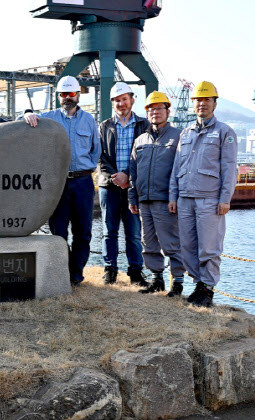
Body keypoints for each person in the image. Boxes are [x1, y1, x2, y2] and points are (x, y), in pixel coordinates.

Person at [22, 75, 101, 285]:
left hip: (82, 182)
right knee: (58, 231)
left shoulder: (89, 120)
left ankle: (76, 274)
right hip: (57, 183)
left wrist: (85, 169)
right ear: (58, 97)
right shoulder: (48, 119)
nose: (67, 97)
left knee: (83, 232)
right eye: (63, 94)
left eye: (71, 93)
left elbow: (96, 151)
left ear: (78, 95)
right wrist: (28, 113)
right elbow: (25, 120)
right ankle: (63, 272)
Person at [169, 81, 238, 307]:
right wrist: (173, 196)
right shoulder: (186, 133)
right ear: (193, 104)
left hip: (209, 199)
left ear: (215, 103)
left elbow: (229, 168)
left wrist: (225, 199)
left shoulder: (224, 132)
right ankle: (198, 284)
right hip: (185, 198)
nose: (202, 104)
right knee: (187, 246)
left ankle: (207, 289)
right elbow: (177, 167)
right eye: (198, 100)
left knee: (209, 247)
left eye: (206, 100)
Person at [128, 91, 185, 297]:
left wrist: (175, 197)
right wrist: (133, 197)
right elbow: (133, 170)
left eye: (159, 108)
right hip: (144, 200)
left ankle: (177, 282)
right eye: (151, 109)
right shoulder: (140, 140)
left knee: (171, 243)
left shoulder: (178, 136)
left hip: (166, 200)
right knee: (148, 243)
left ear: (168, 111)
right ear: (147, 113)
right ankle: (157, 280)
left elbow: (181, 170)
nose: (155, 112)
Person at [97, 82, 150, 287]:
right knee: (109, 231)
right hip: (109, 186)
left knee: (134, 233)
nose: (121, 103)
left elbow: (146, 156)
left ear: (132, 100)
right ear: (113, 103)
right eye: (117, 100)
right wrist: (116, 176)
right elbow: (99, 156)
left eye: (124, 99)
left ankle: (135, 271)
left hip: (133, 186)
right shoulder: (104, 126)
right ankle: (110, 270)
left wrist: (128, 176)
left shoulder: (144, 125)